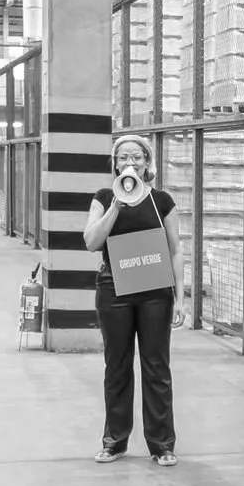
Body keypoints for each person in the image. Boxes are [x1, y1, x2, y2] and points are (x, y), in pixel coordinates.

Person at [86, 134, 179, 466]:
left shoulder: (162, 201)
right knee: (118, 365)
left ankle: (162, 443)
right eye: (123, 156)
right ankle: (114, 440)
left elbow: (176, 250)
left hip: (155, 292)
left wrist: (180, 298)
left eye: (136, 157)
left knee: (156, 366)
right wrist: (115, 206)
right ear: (115, 162)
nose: (130, 162)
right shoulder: (103, 197)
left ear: (147, 162)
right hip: (115, 290)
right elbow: (91, 241)